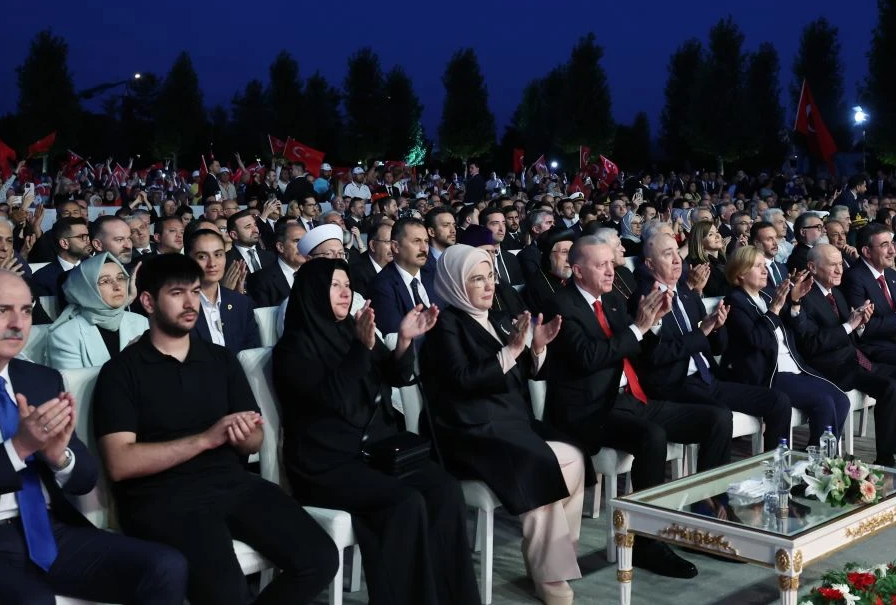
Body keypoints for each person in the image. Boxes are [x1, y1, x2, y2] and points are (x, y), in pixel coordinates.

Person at [0, 268, 187, 604]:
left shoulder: (41, 380)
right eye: (2, 311)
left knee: (165, 565)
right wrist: (18, 449)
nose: (18, 323)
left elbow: (84, 479)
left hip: (49, 531)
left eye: (26, 310)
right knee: (32, 600)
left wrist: (59, 457)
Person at [94, 254, 338, 605]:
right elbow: (120, 462)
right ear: (147, 301)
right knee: (226, 592)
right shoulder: (121, 372)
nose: (191, 302)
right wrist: (206, 439)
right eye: (177, 293)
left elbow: (254, 439)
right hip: (161, 498)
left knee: (320, 558)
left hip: (230, 482)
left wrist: (245, 436)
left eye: (195, 291)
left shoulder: (220, 359)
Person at [273, 258, 479, 605]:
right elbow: (329, 401)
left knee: (444, 489)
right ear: (312, 292)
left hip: (374, 452)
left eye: (346, 284)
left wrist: (403, 340)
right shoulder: (294, 348)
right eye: (335, 285)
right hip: (326, 463)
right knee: (404, 503)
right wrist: (361, 347)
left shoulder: (351, 330)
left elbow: (395, 375)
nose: (345, 292)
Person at [545, 233, 732, 581]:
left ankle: (709, 515)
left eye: (611, 264)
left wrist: (653, 324)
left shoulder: (613, 301)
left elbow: (640, 347)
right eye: (601, 265)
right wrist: (638, 328)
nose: (610, 272)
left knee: (717, 417)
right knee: (652, 436)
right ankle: (646, 541)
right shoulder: (561, 304)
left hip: (631, 398)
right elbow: (590, 357)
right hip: (591, 409)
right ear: (577, 270)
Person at [421, 245, 581, 605]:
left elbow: (519, 373)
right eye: (477, 279)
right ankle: (550, 578)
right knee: (539, 462)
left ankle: (549, 559)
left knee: (573, 456)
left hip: (507, 422)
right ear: (454, 283)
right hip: (468, 431)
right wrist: (510, 350)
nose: (488, 285)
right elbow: (463, 380)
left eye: (490, 276)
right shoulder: (445, 325)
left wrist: (535, 349)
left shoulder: (493, 316)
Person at [798, 245, 896, 476]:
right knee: (890, 386)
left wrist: (860, 324)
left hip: (854, 358)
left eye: (841, 264)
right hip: (831, 367)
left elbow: (853, 331)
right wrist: (850, 325)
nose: (840, 269)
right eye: (833, 265)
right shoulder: (805, 296)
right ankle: (887, 459)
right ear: (812, 267)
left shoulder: (835, 291)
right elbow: (811, 344)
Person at [635, 232, 792, 450]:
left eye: (677, 253)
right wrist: (702, 334)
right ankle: (714, 482)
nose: (677, 259)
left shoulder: (687, 295)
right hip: (676, 383)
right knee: (720, 416)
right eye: (667, 254)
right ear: (650, 264)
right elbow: (657, 355)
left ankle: (775, 466)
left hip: (709, 378)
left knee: (779, 401)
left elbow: (718, 346)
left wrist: (717, 329)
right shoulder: (643, 300)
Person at [721, 245, 851, 449]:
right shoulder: (735, 302)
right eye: (758, 266)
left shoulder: (766, 295)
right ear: (740, 274)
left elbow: (797, 329)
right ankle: (818, 464)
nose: (765, 270)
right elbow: (758, 340)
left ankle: (817, 459)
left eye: (765, 265)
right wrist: (774, 309)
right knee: (823, 401)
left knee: (841, 400)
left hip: (793, 367)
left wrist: (796, 301)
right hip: (767, 373)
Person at [45, 252, 150, 369]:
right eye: (105, 281)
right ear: (88, 289)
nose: (118, 286)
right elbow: (75, 385)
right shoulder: (64, 335)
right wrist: (125, 358)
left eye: (121, 278)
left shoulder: (142, 322)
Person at [185, 228, 260, 351]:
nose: (212, 263)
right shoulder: (179, 306)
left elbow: (252, 354)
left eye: (218, 254)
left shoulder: (241, 303)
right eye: (202, 256)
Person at [369, 218, 439, 336]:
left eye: (426, 241)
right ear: (396, 247)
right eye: (417, 241)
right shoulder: (381, 286)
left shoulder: (434, 276)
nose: (424, 248)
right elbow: (395, 337)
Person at [247, 219, 306, 309]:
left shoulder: (316, 273)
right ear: (280, 247)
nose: (303, 246)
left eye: (305, 241)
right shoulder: (260, 279)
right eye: (297, 241)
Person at [686, 219, 731, 298]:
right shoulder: (700, 265)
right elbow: (717, 293)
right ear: (700, 241)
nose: (718, 236)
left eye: (717, 231)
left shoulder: (722, 258)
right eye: (710, 234)